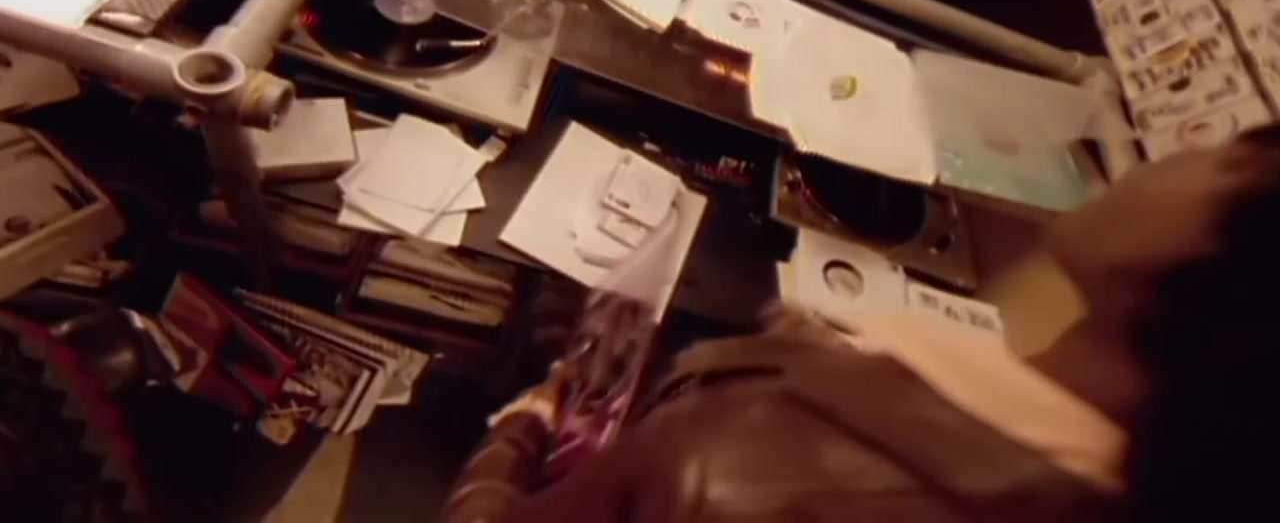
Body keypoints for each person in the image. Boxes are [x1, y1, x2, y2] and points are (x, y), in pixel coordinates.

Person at [440, 123, 1280, 522]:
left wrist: (518, 428)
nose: (1190, 148)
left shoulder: (730, 461)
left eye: (1231, 154)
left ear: (1221, 259)